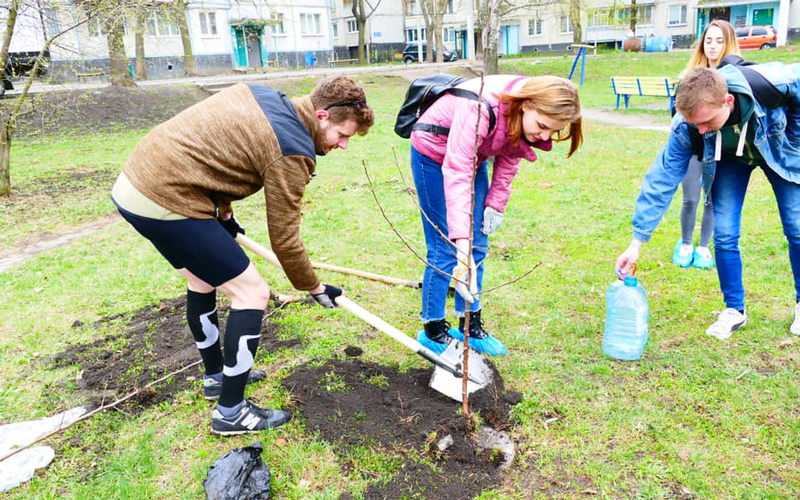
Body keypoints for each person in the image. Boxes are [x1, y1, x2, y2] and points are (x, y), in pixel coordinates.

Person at [111, 77, 374, 435]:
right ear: (323, 115)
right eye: (342, 135)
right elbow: (284, 239)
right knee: (252, 293)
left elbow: (218, 153)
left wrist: (225, 213)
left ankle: (217, 378)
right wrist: (313, 287)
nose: (342, 145)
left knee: (203, 279)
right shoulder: (292, 148)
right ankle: (230, 411)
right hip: (167, 195)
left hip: (135, 185)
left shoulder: (263, 96)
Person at [616, 62, 800, 340]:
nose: (700, 131)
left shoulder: (770, 84)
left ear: (728, 101)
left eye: (706, 122)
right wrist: (637, 241)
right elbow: (661, 179)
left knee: (797, 226)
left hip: (778, 148)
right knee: (724, 233)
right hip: (729, 159)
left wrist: (795, 138)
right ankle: (734, 310)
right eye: (695, 124)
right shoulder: (686, 126)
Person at [410, 74, 583, 355]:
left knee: (479, 244)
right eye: (542, 126)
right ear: (525, 105)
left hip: (473, 155)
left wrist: (495, 204)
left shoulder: (521, 115)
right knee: (444, 247)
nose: (545, 136)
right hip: (433, 154)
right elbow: (457, 170)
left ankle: (469, 325)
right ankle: (433, 328)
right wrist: (461, 246)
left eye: (553, 131)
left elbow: (511, 151)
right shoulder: (480, 107)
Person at [672, 20, 741, 270]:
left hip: (722, 151)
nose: (713, 46)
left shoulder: (735, 76)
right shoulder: (689, 76)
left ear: (729, 43)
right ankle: (686, 243)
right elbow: (677, 115)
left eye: (719, 40)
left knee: (712, 199)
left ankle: (703, 247)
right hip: (694, 150)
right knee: (690, 198)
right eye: (709, 40)